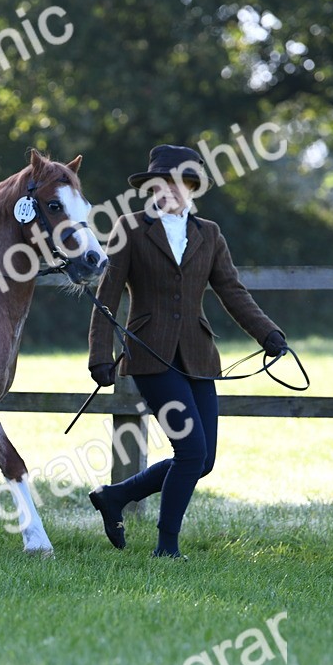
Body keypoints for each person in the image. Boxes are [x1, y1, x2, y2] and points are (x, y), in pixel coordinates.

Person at [86, 144, 289, 558]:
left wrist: (267, 333)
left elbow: (232, 291)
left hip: (198, 356)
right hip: (150, 355)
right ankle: (167, 547)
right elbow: (105, 297)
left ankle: (115, 496)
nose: (168, 192)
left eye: (179, 184)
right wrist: (100, 356)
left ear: (192, 187)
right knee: (190, 451)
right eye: (160, 185)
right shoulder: (129, 228)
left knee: (205, 459)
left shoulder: (209, 234)